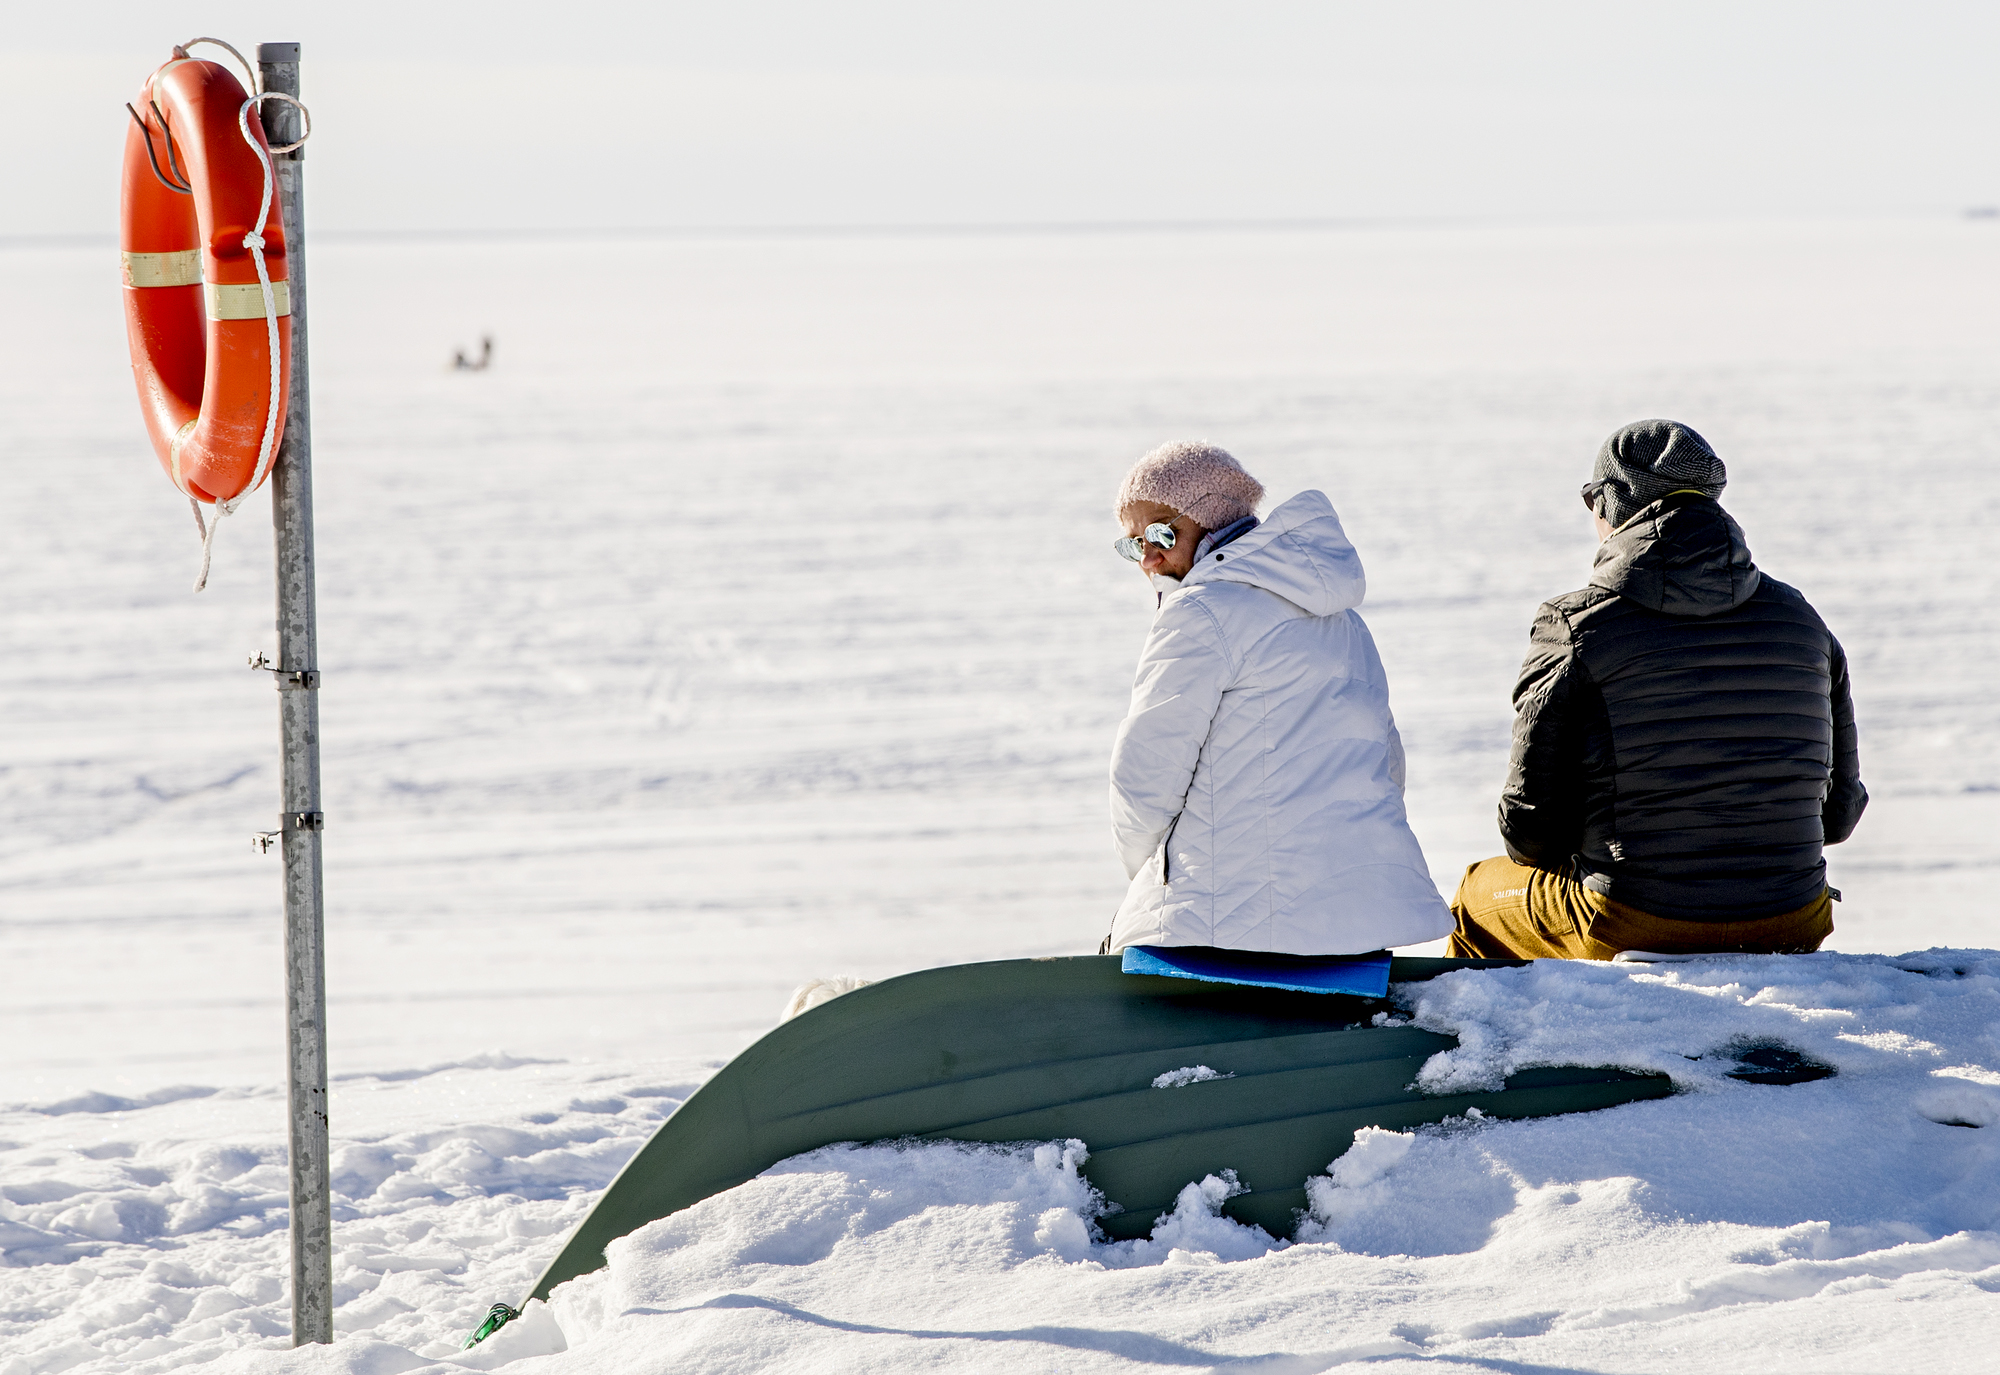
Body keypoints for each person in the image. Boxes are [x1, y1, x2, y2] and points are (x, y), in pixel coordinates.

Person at [1449, 419, 1867, 960]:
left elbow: (1529, 832)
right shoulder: (1803, 622)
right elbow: (1837, 817)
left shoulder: (1576, 625)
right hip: (1792, 917)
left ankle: (1481, 1043)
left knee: (1477, 894)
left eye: (1590, 499)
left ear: (1612, 504)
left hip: (1633, 918)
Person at [1102, 440, 1454, 956]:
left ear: (1210, 518)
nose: (1149, 557)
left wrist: (1152, 886)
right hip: (1360, 920)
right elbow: (1385, 764)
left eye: (1160, 533)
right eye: (1132, 546)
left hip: (1229, 929)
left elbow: (1145, 777)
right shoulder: (1345, 622)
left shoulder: (1199, 614)